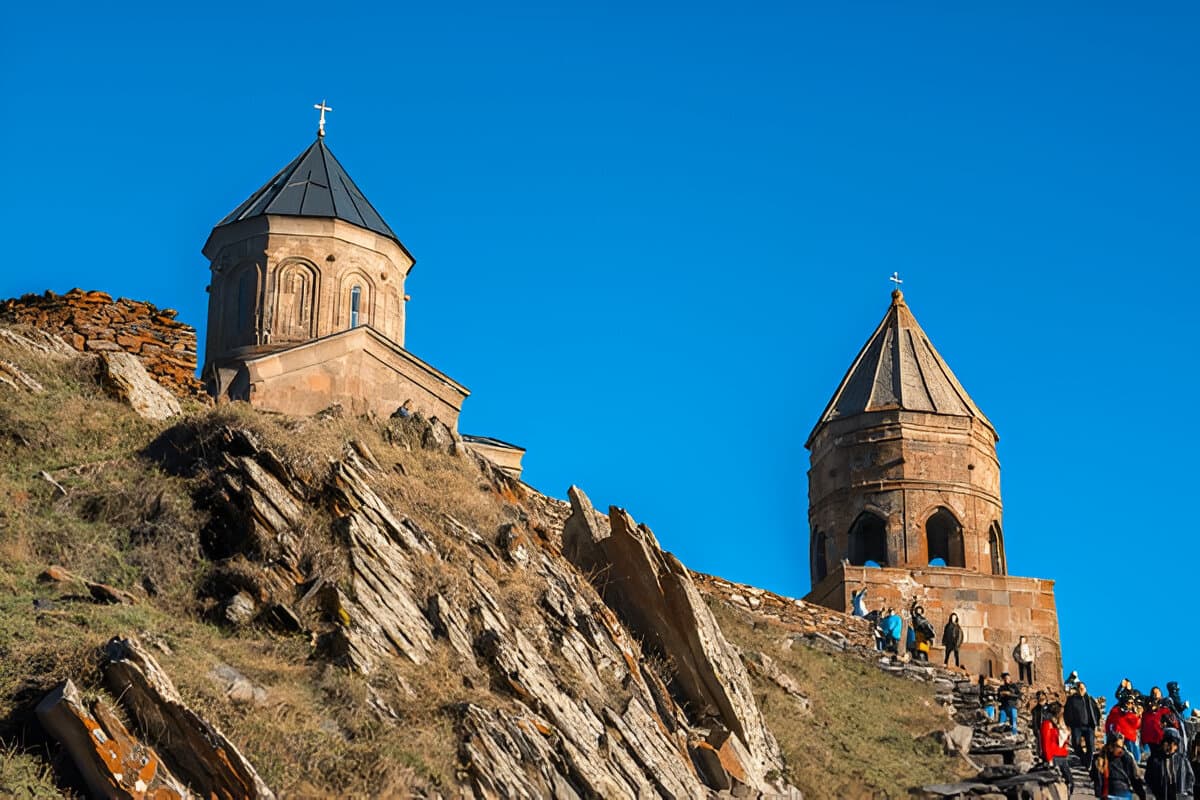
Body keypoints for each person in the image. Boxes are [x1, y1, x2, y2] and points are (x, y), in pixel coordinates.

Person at [1092, 732, 1146, 800]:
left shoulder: (1126, 758)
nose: (1121, 749)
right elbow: (1096, 779)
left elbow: (1134, 778)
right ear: (1110, 747)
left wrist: (1141, 794)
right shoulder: (1099, 759)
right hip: (1108, 795)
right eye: (1118, 747)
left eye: (1122, 746)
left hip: (1123, 793)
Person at [1145, 728, 1194, 800]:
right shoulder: (1154, 760)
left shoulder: (1181, 760)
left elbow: (1189, 778)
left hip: (1176, 791)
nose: (1171, 747)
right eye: (1168, 743)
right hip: (1160, 792)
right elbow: (1149, 779)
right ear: (1162, 743)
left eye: (1174, 744)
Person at [1039, 701, 1073, 794]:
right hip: (1053, 757)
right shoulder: (1047, 724)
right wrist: (1049, 759)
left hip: (1062, 756)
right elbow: (1045, 743)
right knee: (1055, 786)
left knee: (1069, 782)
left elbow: (1064, 741)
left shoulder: (1061, 725)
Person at [1065, 681, 1101, 760]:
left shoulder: (1090, 699)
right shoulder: (1071, 700)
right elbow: (1067, 712)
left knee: (1091, 746)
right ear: (1077, 689)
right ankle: (1084, 759)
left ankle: (1088, 763)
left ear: (1085, 689)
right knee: (1076, 745)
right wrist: (1068, 724)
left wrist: (1097, 724)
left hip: (1089, 726)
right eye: (1080, 688)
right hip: (1076, 726)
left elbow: (1096, 712)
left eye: (1083, 688)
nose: (1081, 690)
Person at [1108, 693, 1144, 764]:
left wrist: (1138, 716)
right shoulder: (1117, 711)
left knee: (1134, 754)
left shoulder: (1133, 713)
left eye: (1132, 703)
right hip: (1120, 736)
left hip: (1131, 736)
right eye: (1128, 702)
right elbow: (1111, 721)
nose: (1130, 704)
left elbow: (1137, 725)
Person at [998, 672, 1022, 737]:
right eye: (1005, 678)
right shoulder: (1001, 687)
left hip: (1012, 707)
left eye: (1007, 678)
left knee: (1013, 723)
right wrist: (1001, 694)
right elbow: (998, 698)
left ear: (1010, 678)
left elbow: (1019, 695)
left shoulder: (1014, 686)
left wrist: (1009, 694)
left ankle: (1014, 736)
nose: (1006, 680)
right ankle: (1000, 738)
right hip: (1003, 707)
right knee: (1001, 723)